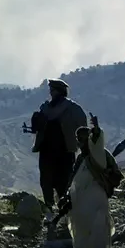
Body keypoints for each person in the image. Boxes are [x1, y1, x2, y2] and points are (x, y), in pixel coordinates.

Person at [67, 114, 116, 248]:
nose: (80, 143)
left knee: (99, 247)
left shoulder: (98, 155)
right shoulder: (80, 160)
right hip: (79, 209)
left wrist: (95, 128)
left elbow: (97, 139)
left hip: (96, 207)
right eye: (78, 139)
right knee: (80, 247)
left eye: (83, 139)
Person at [31, 79, 87, 221]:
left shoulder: (47, 108)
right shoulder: (73, 108)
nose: (50, 92)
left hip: (56, 151)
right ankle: (59, 211)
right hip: (58, 151)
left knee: (53, 181)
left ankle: (56, 211)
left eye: (52, 90)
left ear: (57, 92)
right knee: (57, 181)